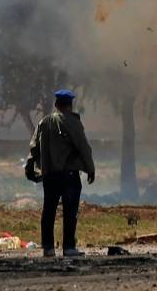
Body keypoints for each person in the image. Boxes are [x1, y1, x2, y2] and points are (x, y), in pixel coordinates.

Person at [25, 89, 95, 257]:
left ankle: (48, 248)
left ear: (56, 105)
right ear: (70, 105)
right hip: (69, 175)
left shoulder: (44, 122)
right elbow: (83, 147)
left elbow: (33, 148)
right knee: (70, 211)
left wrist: (30, 169)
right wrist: (90, 168)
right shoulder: (72, 122)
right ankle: (69, 247)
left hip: (49, 175)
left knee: (48, 210)